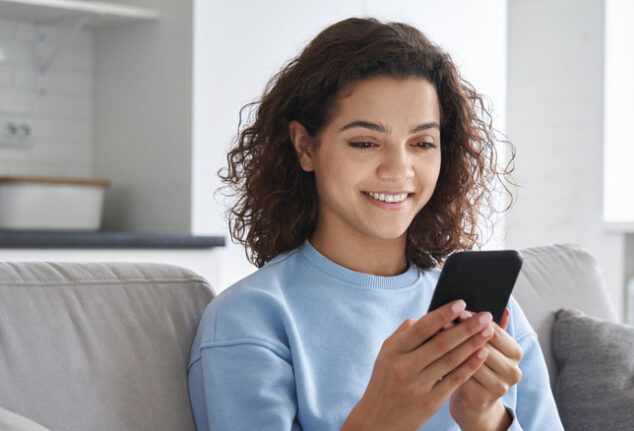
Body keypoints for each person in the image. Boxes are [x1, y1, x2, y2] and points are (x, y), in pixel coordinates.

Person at [187, 17, 564, 431]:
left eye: (422, 143)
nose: (398, 170)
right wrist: (380, 418)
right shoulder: (249, 320)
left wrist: (487, 419)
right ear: (304, 146)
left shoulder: (493, 317)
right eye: (365, 142)